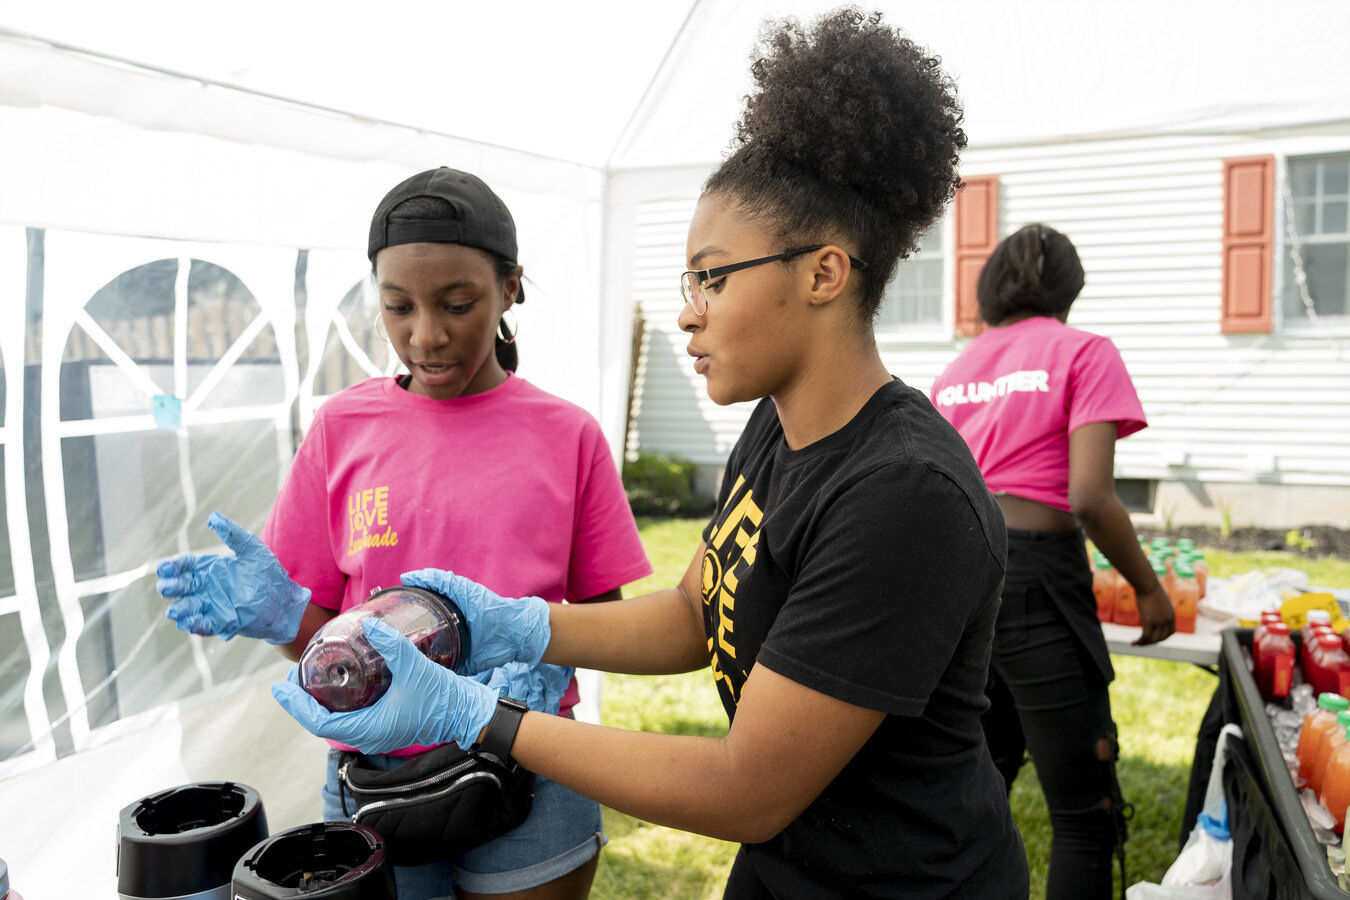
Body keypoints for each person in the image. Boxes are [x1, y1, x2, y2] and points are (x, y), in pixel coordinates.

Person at [268, 10, 1030, 897]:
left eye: (712, 275)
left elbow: (749, 789)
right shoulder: (780, 430)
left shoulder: (903, 495)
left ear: (824, 273)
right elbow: (692, 617)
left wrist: (477, 716)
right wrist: (511, 623)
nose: (687, 310)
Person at [155, 166, 653, 900]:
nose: (427, 335)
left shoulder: (567, 435)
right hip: (379, 779)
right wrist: (287, 618)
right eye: (398, 307)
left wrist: (542, 670)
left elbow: (612, 623)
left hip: (532, 762)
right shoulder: (343, 428)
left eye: (458, 304)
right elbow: (325, 648)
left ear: (510, 288)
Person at [929, 222, 1176, 898]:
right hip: (1039, 577)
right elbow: (1091, 497)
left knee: (977, 791)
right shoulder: (1085, 351)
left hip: (962, 579)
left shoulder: (956, 372)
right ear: (1072, 287)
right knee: (1084, 817)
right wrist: (1149, 591)